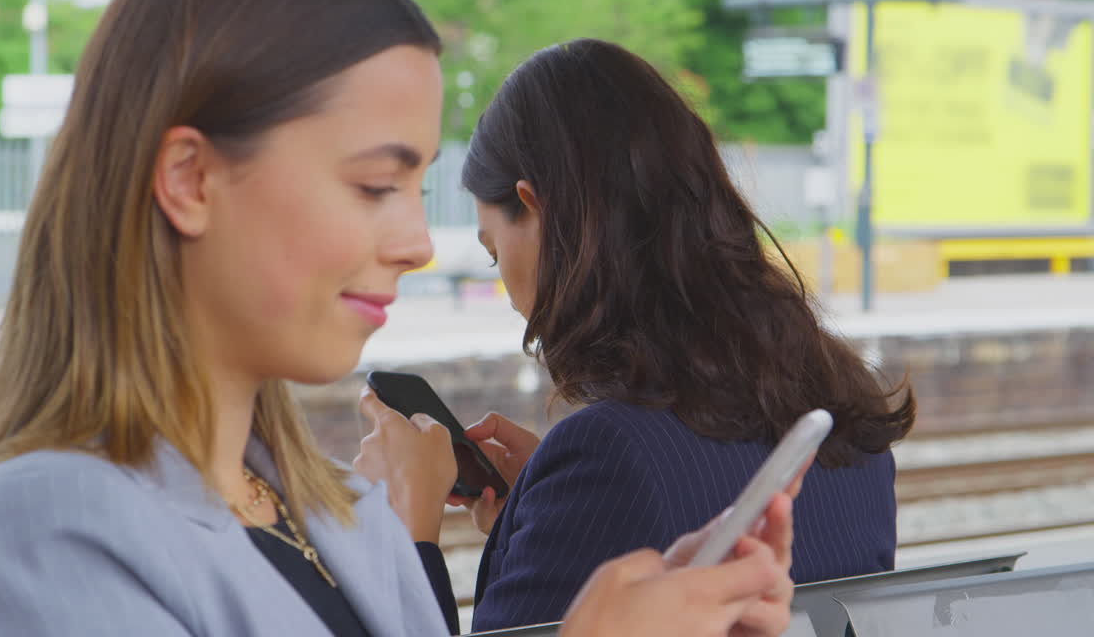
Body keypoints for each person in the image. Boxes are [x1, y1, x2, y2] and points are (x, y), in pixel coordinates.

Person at [0, 0, 794, 637]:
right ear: (189, 180)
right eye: (374, 184)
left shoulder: (351, 515)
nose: (416, 243)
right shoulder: (34, 540)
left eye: (415, 186)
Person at [354, 38, 917, 632]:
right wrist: (543, 508)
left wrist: (405, 532)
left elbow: (635, 488)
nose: (515, 300)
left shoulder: (606, 452)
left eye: (495, 254)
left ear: (534, 207)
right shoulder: (845, 417)